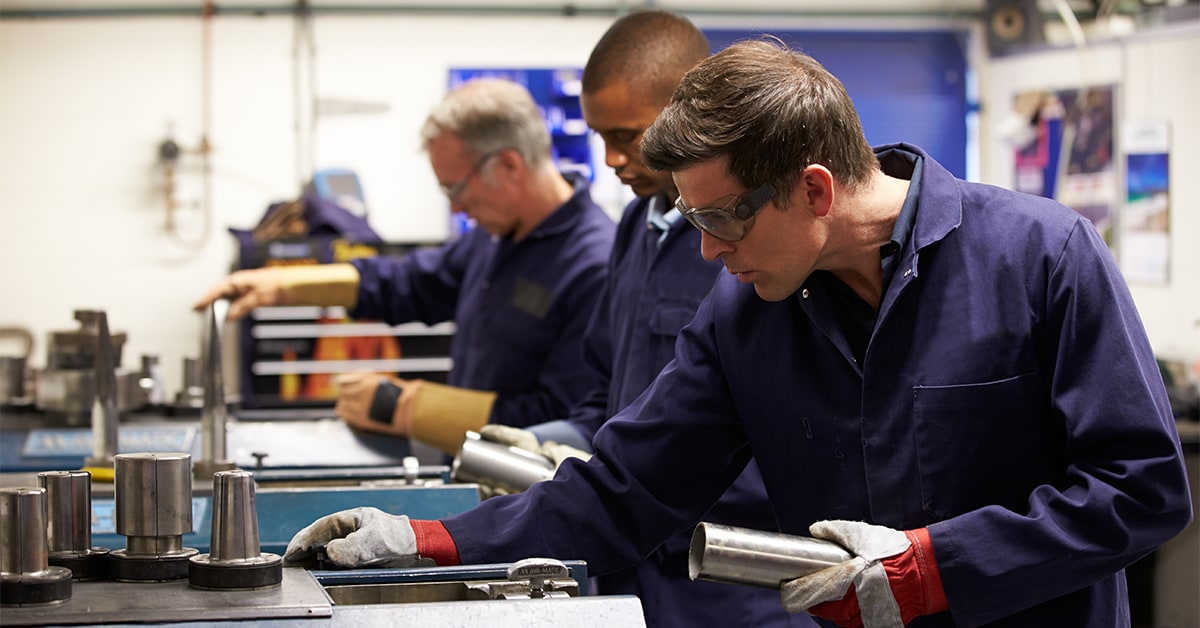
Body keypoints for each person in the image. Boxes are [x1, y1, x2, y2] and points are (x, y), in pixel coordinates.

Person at [282, 39, 1193, 627]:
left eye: (722, 220)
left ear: (814, 189)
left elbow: (1143, 489)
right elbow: (626, 488)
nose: (709, 252)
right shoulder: (748, 314)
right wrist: (425, 541)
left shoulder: (1041, 256)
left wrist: (936, 566)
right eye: (692, 220)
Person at [479, 11, 813, 627]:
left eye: (626, 136)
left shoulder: (755, 244)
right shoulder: (637, 227)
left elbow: (783, 427)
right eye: (599, 137)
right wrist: (554, 440)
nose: (611, 159)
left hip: (730, 578)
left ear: (689, 109)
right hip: (631, 559)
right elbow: (608, 391)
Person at [193, 78, 615, 454]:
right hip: (476, 468)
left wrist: (402, 406)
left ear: (508, 165)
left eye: (455, 188)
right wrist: (285, 284)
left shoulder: (594, 266)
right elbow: (411, 282)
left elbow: (565, 421)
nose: (455, 207)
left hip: (532, 491)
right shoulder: (496, 236)